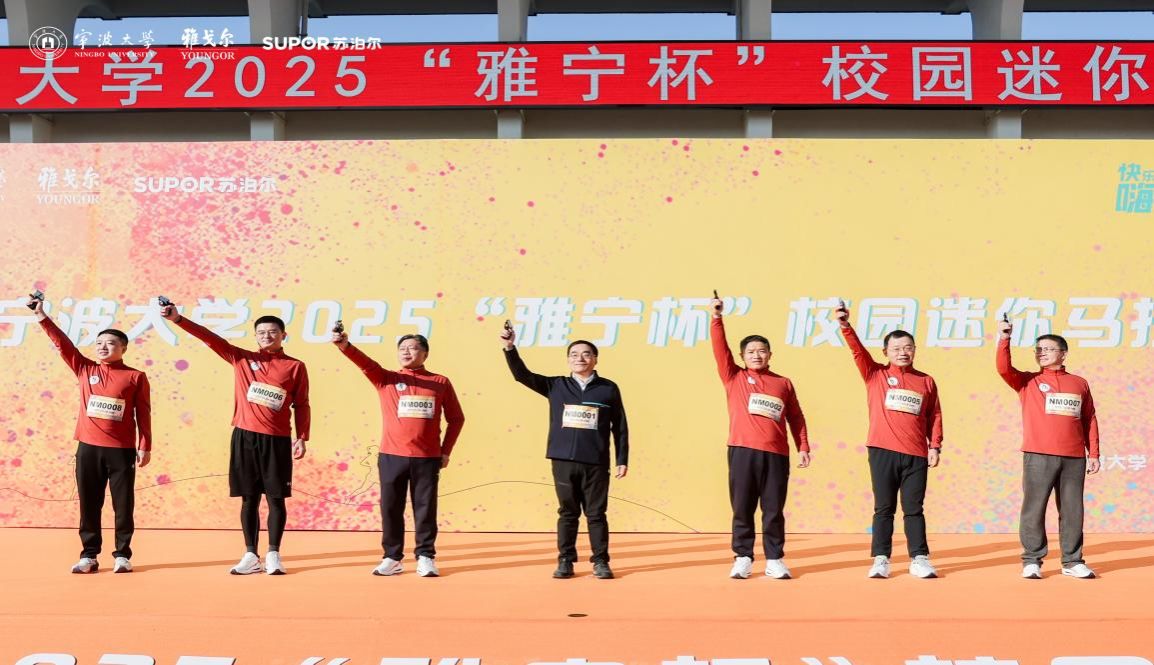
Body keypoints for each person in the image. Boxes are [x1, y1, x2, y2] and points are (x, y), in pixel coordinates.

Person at [161, 303, 308, 575]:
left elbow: (301, 404)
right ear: (256, 336)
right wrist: (179, 319)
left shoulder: (295, 366)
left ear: (283, 335)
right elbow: (210, 339)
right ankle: (250, 554)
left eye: (272, 332)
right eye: (261, 332)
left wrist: (302, 436)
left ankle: (273, 554)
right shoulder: (241, 358)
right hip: (245, 437)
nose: (266, 336)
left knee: (276, 499)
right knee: (248, 499)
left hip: (277, 439)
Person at [32, 297, 151, 574]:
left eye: (110, 343)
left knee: (123, 505)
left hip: (121, 450)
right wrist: (41, 316)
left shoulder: (135, 376)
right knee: (89, 504)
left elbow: (143, 413)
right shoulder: (85, 369)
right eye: (99, 343)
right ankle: (89, 555)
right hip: (88, 449)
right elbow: (62, 344)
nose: (103, 347)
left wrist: (145, 445)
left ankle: (122, 555)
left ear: (123, 348)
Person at [332, 329, 464, 577]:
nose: (406, 352)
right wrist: (345, 346)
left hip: (427, 457)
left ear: (425, 354)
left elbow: (457, 419)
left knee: (425, 509)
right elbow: (366, 363)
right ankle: (392, 557)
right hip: (392, 456)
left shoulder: (440, 382)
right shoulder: (386, 379)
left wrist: (445, 451)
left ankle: (425, 556)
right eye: (402, 348)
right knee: (391, 508)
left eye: (413, 348)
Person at [500, 325, 628, 579]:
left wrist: (621, 459)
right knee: (568, 513)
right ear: (568, 360)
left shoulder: (608, 388)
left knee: (596, 514)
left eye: (586, 354)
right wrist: (509, 347)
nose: (580, 358)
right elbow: (521, 375)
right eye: (574, 354)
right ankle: (566, 560)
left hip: (596, 461)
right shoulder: (556, 385)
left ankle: (600, 562)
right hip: (563, 460)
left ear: (595, 359)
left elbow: (620, 426)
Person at [836, 301, 943, 579]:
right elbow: (857, 351)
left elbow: (934, 414)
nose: (902, 352)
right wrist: (845, 325)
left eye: (908, 347)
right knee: (884, 508)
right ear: (885, 352)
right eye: (896, 349)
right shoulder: (875, 374)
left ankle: (919, 558)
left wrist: (935, 445)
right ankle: (881, 559)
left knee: (914, 509)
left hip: (916, 454)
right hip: (882, 451)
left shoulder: (926, 381)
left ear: (915, 350)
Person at [710, 296, 811, 579]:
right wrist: (716, 318)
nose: (757, 355)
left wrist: (803, 446)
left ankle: (774, 559)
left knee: (773, 509)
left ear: (770, 354)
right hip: (742, 451)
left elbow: (796, 417)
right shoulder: (734, 377)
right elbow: (720, 349)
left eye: (762, 351)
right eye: (751, 352)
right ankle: (743, 557)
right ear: (742, 356)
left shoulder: (783, 383)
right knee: (742, 507)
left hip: (776, 454)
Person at [996, 318, 1100, 579]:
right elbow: (1003, 368)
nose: (1041, 353)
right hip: (1038, 455)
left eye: (1047, 349)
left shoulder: (1079, 383)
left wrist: (1094, 453)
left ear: (1063, 353)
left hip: (1073, 458)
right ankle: (1032, 560)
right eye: (1038, 349)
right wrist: (1004, 338)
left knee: (1072, 510)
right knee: (1034, 508)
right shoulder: (1027, 381)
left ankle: (1072, 561)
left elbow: (1089, 418)